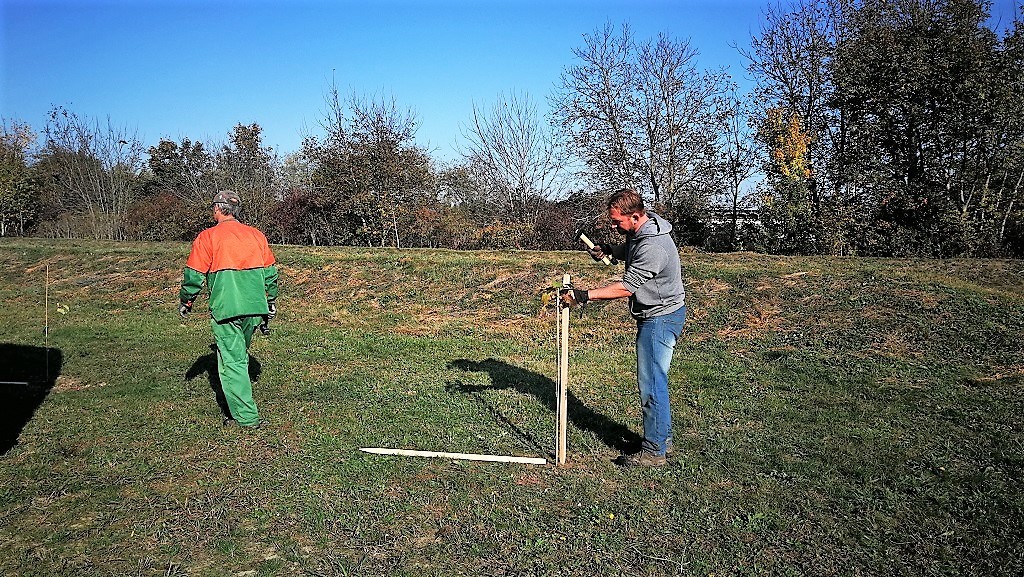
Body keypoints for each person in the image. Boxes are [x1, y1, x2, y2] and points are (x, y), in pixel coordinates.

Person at [561, 189, 686, 467]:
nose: (615, 227)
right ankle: (660, 439)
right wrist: (609, 250)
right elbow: (631, 247)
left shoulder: (653, 247)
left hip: (661, 318)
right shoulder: (642, 230)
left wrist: (584, 295)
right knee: (656, 380)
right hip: (660, 314)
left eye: (618, 222)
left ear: (636, 216)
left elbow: (627, 287)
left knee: (652, 383)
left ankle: (654, 452)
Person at [179, 190, 279, 429]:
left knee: (232, 361)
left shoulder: (207, 237)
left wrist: (186, 300)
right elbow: (271, 273)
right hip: (255, 309)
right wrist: (271, 301)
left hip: (226, 309)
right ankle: (240, 399)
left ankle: (245, 418)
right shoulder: (256, 235)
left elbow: (193, 275)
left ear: (217, 209)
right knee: (239, 356)